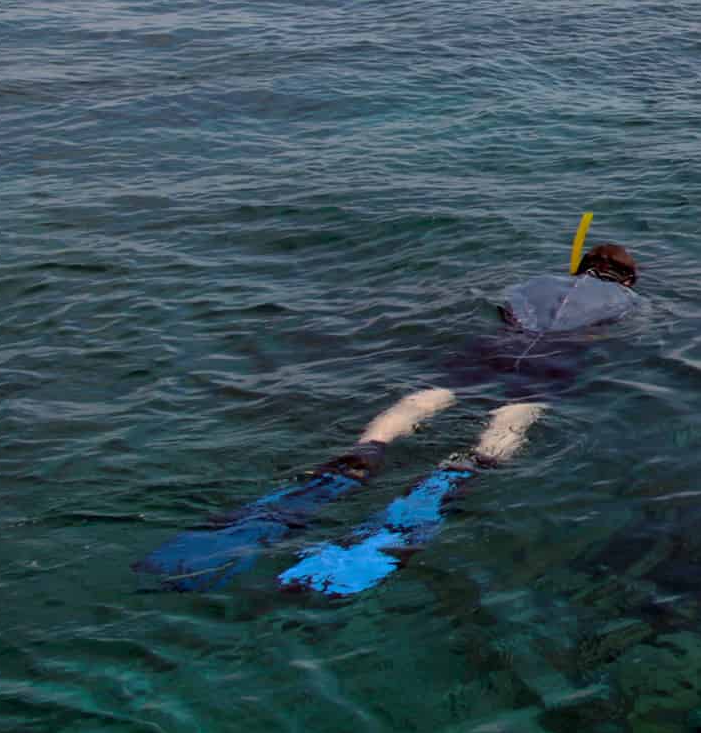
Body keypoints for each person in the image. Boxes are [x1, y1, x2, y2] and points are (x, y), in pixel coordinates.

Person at [137, 241, 643, 594]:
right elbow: (611, 336)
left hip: (493, 345)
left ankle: (365, 452)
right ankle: (462, 470)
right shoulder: (627, 300)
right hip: (551, 358)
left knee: (430, 394)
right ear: (629, 277)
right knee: (515, 414)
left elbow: (505, 308)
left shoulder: (536, 281)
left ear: (578, 267)